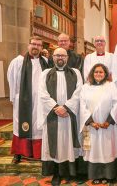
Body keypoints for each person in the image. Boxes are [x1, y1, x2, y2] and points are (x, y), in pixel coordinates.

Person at [37, 47, 83, 185]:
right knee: (55, 144)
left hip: (69, 115)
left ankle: (68, 172)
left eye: (63, 55)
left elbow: (79, 91)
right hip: (53, 115)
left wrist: (67, 107)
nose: (60, 58)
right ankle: (56, 173)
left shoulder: (76, 73)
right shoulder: (45, 74)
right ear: (53, 57)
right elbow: (42, 93)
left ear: (67, 58)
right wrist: (56, 108)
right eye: (57, 55)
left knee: (68, 143)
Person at [79, 63, 117, 185]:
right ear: (92, 74)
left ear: (105, 74)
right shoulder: (85, 87)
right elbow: (82, 106)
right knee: (94, 151)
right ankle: (96, 175)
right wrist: (91, 122)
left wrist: (108, 122)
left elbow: (116, 104)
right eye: (96, 72)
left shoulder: (111, 86)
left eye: (101, 72)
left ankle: (109, 175)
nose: (98, 74)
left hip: (107, 126)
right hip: (92, 126)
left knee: (108, 150)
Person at [7, 36, 49, 164]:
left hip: (40, 101)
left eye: (38, 45)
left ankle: (39, 152)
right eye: (33, 44)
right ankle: (19, 153)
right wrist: (14, 97)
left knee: (38, 126)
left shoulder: (46, 61)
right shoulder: (18, 61)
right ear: (28, 45)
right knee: (21, 125)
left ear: (41, 48)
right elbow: (11, 79)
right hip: (23, 100)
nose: (35, 47)